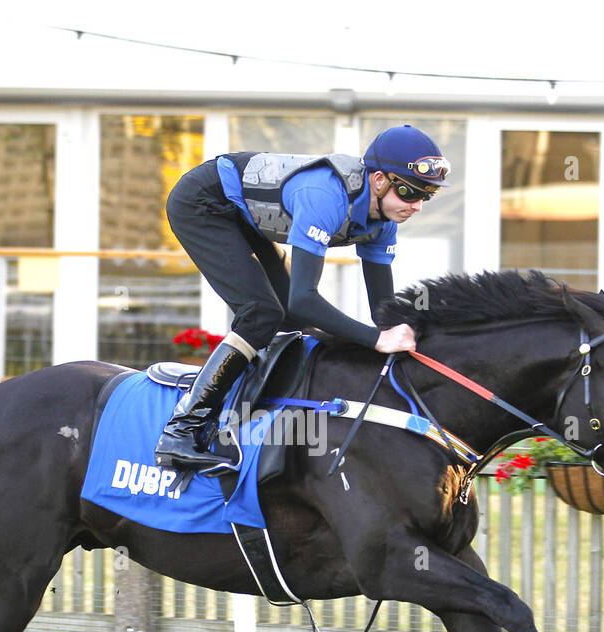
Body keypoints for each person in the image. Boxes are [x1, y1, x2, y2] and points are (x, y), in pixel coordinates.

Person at [153, 124, 450, 472]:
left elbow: (383, 311)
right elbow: (304, 299)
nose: (417, 206)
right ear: (380, 180)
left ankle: (255, 417)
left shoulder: (384, 222)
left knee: (294, 325)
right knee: (261, 313)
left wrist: (422, 330)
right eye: (410, 193)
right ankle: (179, 433)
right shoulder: (325, 196)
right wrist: (376, 339)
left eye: (426, 196)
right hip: (204, 201)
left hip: (244, 214)